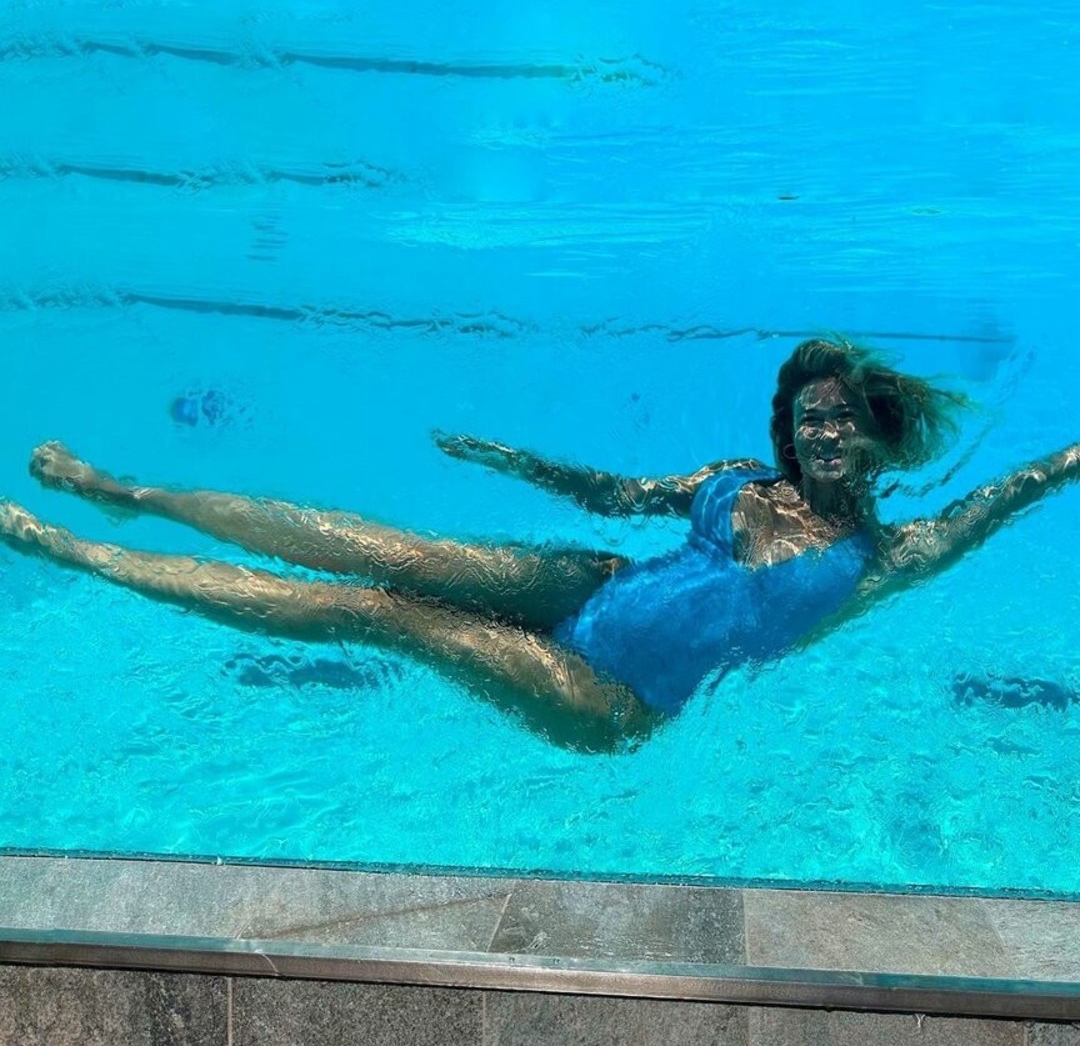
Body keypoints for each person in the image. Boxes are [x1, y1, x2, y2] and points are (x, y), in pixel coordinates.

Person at [0, 337, 1076, 753]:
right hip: (590, 586)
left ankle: (82, 555)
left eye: (840, 418)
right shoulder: (735, 479)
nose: (821, 431)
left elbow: (999, 500)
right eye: (808, 416)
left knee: (374, 613)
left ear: (877, 437)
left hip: (611, 699)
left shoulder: (885, 559)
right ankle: (127, 493)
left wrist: (1070, 461)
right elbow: (611, 493)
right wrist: (517, 464)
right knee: (384, 549)